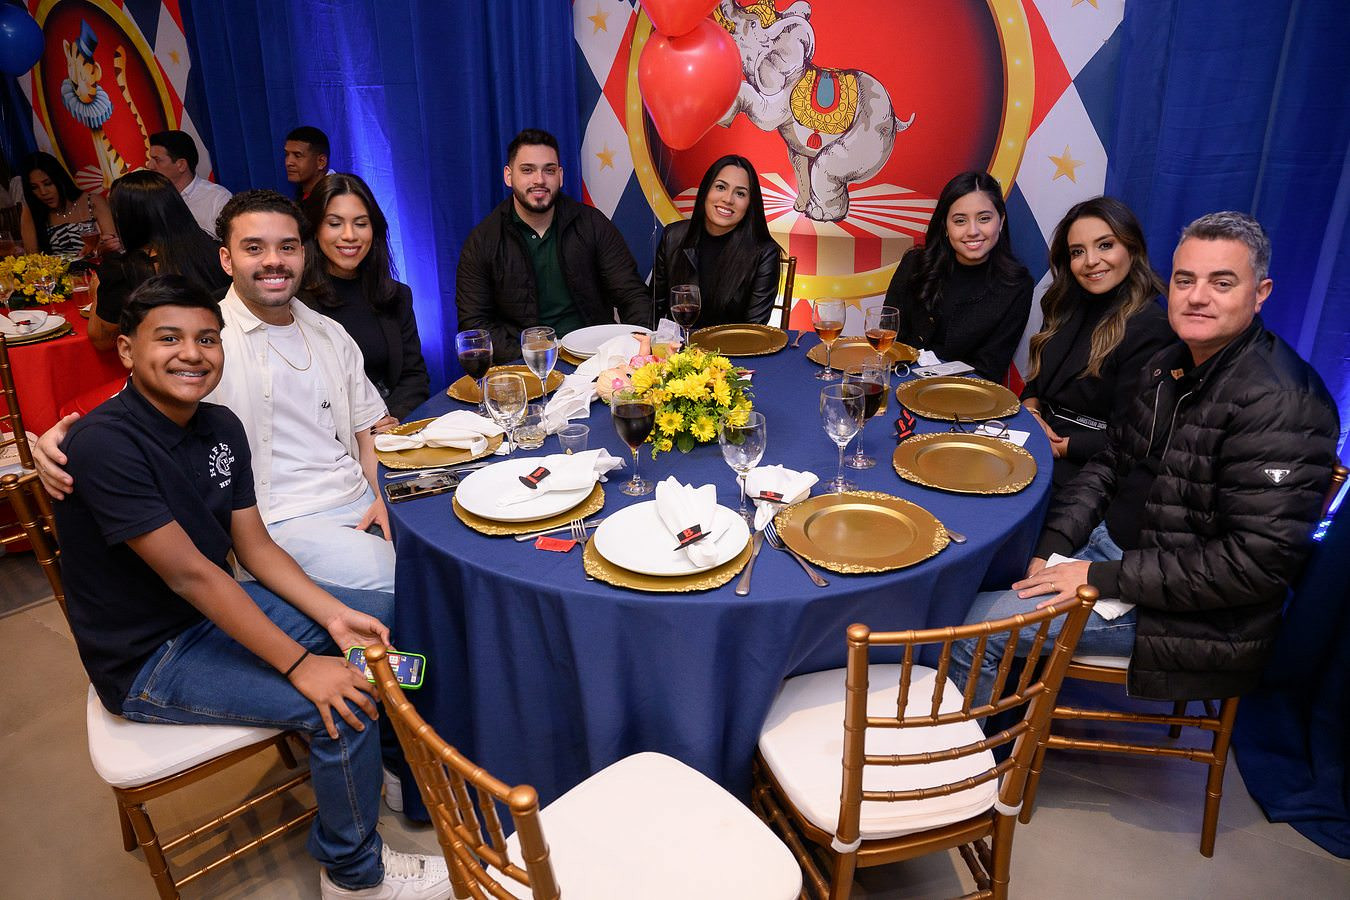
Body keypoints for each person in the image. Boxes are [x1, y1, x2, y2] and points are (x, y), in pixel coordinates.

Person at [54, 274, 450, 899]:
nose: (192, 353)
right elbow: (192, 575)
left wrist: (334, 615)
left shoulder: (219, 426)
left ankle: (394, 768)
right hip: (149, 656)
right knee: (341, 703)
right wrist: (302, 665)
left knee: (379, 627)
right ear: (127, 350)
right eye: (169, 338)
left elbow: (256, 549)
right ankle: (354, 875)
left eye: (207, 338)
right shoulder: (104, 445)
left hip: (209, 615)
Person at [951, 211, 1340, 706]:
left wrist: (1097, 577)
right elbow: (1110, 464)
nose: (1197, 296)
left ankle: (967, 755)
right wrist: (1051, 546)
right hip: (1115, 554)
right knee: (965, 576)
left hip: (1183, 616)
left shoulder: (1284, 405)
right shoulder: (1171, 363)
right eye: (1185, 280)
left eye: (1222, 283)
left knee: (966, 629)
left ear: (1260, 293)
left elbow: (1252, 567)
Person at [36, 190, 396, 594]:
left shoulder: (328, 333)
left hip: (360, 496)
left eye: (287, 247)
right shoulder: (207, 340)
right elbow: (133, 410)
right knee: (410, 579)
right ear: (227, 259)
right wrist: (59, 440)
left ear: (302, 254)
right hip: (281, 521)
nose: (273, 260)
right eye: (254, 248)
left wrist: (384, 496)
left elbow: (369, 429)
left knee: (440, 549)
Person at [455, 128, 652, 362]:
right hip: (523, 364)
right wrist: (530, 359)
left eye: (548, 170)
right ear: (508, 176)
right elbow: (475, 323)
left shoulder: (593, 224)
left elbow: (632, 295)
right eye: (527, 170)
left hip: (595, 359)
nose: (539, 180)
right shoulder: (483, 241)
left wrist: (635, 350)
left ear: (560, 176)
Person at [1021, 197, 1176, 492]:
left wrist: (1059, 447)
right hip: (1036, 437)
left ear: (1132, 248)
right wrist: (1031, 415)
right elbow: (1035, 384)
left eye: (1105, 245)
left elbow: (1133, 437)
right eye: (1077, 252)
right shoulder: (1061, 304)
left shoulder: (1151, 327)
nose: (1090, 261)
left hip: (1090, 466)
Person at [299, 173, 429, 424]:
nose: (350, 235)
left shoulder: (396, 295)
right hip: (328, 436)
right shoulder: (295, 304)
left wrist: (392, 419)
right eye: (335, 224)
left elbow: (414, 377)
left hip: (390, 429)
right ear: (315, 230)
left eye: (360, 223)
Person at [884, 171, 1033, 382]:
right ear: (945, 226)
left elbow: (988, 370)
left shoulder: (1017, 286)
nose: (972, 231)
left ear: (1001, 221)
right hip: (898, 381)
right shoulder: (914, 264)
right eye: (960, 220)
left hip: (965, 394)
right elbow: (888, 338)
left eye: (984, 218)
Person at [87, 170, 230, 351]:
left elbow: (101, 341)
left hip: (173, 360)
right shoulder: (217, 250)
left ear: (126, 218)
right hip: (227, 350)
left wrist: (98, 288)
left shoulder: (124, 270)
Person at [650, 154, 783, 326]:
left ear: (750, 203)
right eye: (720, 187)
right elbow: (654, 308)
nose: (728, 199)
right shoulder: (673, 236)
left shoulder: (764, 253)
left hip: (733, 343)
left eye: (740, 193)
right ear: (705, 190)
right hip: (677, 342)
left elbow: (753, 330)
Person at [18, 151, 118, 256]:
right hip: (55, 267)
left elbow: (113, 245)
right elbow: (32, 256)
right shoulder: (32, 211)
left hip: (98, 264)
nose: (43, 192)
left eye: (48, 184)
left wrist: (101, 248)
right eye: (34, 187)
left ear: (60, 179)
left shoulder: (93, 201)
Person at [144, 129, 233, 235]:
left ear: (181, 165)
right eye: (150, 159)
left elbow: (233, 240)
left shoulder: (217, 199)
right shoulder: (148, 197)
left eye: (157, 160)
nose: (149, 166)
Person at [285, 125, 332, 201]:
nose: (288, 162)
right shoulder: (302, 193)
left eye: (297, 155)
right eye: (286, 154)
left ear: (321, 162)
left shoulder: (338, 196)